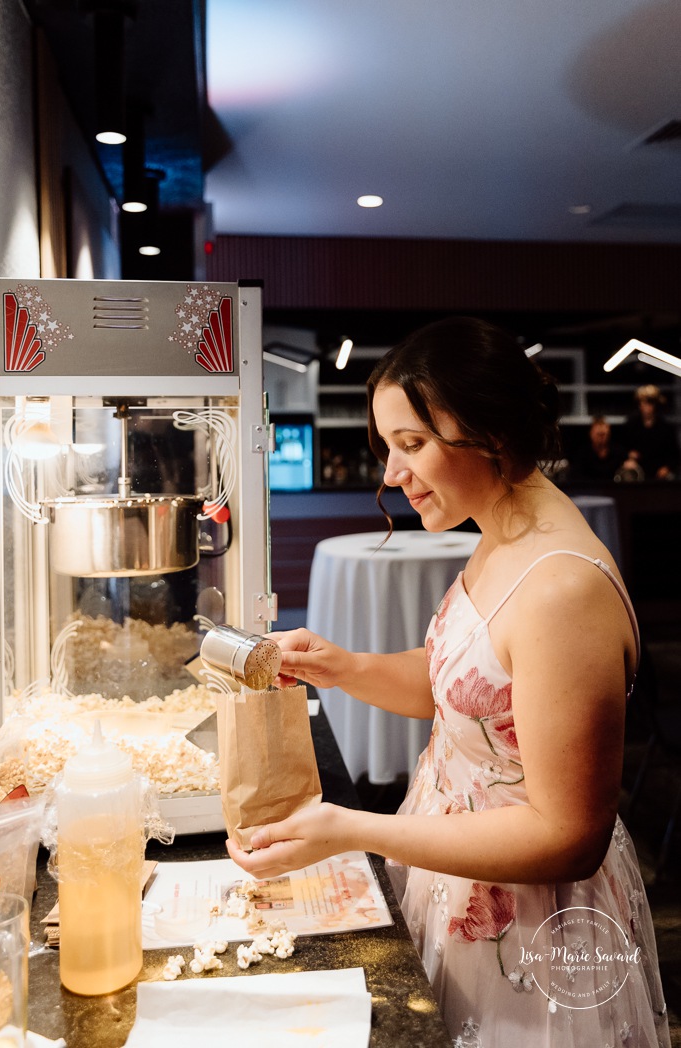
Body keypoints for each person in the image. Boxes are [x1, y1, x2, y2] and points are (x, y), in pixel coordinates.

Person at [227, 317, 670, 1047]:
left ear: (491, 431)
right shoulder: (502, 533)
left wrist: (347, 830)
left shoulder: (561, 589)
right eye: (388, 448)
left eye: (411, 446)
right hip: (458, 870)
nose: (391, 476)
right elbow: (461, 695)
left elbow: (567, 836)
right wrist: (339, 667)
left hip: (531, 925)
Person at [622, 384, 680, 481]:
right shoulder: (631, 425)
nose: (646, 406)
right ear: (639, 404)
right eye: (643, 402)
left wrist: (667, 467)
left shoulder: (665, 427)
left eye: (650, 403)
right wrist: (628, 456)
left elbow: (674, 454)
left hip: (659, 473)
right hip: (636, 473)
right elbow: (620, 447)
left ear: (655, 405)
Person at [571, 414, 626, 482]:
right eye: (598, 434)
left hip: (613, 490)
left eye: (604, 434)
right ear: (591, 433)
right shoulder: (582, 454)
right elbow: (576, 476)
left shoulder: (618, 452)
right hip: (588, 489)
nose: (601, 438)